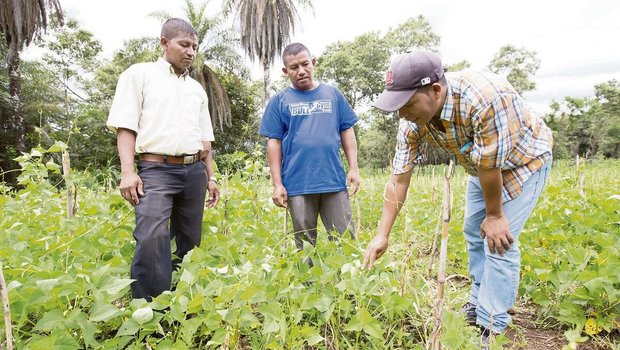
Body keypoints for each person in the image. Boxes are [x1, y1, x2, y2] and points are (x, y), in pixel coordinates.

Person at [362, 50, 553, 337]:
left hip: (524, 162)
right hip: (483, 168)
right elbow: (398, 181)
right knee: (473, 233)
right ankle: (478, 303)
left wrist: (495, 215)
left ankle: (491, 324)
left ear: (435, 91)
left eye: (406, 104)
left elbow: (492, 166)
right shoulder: (411, 123)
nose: (401, 113)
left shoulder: (487, 98)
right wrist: (382, 234)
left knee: (498, 238)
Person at [106, 18, 220, 300]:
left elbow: (205, 138)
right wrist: (128, 172)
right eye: (184, 44)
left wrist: (211, 176)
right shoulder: (139, 75)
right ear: (164, 43)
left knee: (190, 241)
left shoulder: (196, 89)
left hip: (194, 171)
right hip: (155, 170)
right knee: (151, 239)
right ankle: (147, 312)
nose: (191, 52)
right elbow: (125, 126)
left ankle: (182, 302)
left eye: (194, 46)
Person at [259, 42, 360, 253]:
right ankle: (307, 285)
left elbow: (347, 131)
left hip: (332, 181)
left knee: (345, 244)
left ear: (313, 63)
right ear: (286, 72)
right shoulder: (279, 101)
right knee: (304, 248)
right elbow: (274, 142)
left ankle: (346, 285)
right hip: (297, 184)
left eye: (305, 64)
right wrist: (277, 184)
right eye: (294, 67)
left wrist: (354, 168)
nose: (301, 71)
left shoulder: (333, 95)